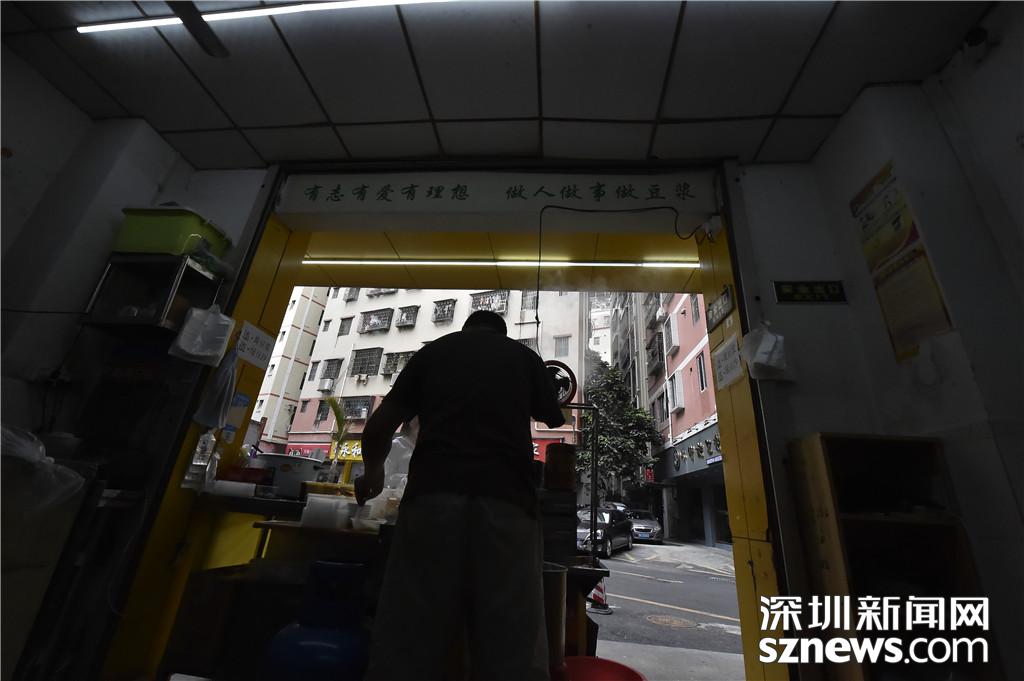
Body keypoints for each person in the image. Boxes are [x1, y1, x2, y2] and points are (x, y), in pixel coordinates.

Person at [355, 309, 566, 681]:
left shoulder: (433, 352)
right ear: (501, 333)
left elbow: (378, 428)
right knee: (511, 641)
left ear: (466, 329)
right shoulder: (523, 357)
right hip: (508, 505)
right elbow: (553, 416)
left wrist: (372, 474)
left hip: (431, 500)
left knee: (410, 633)